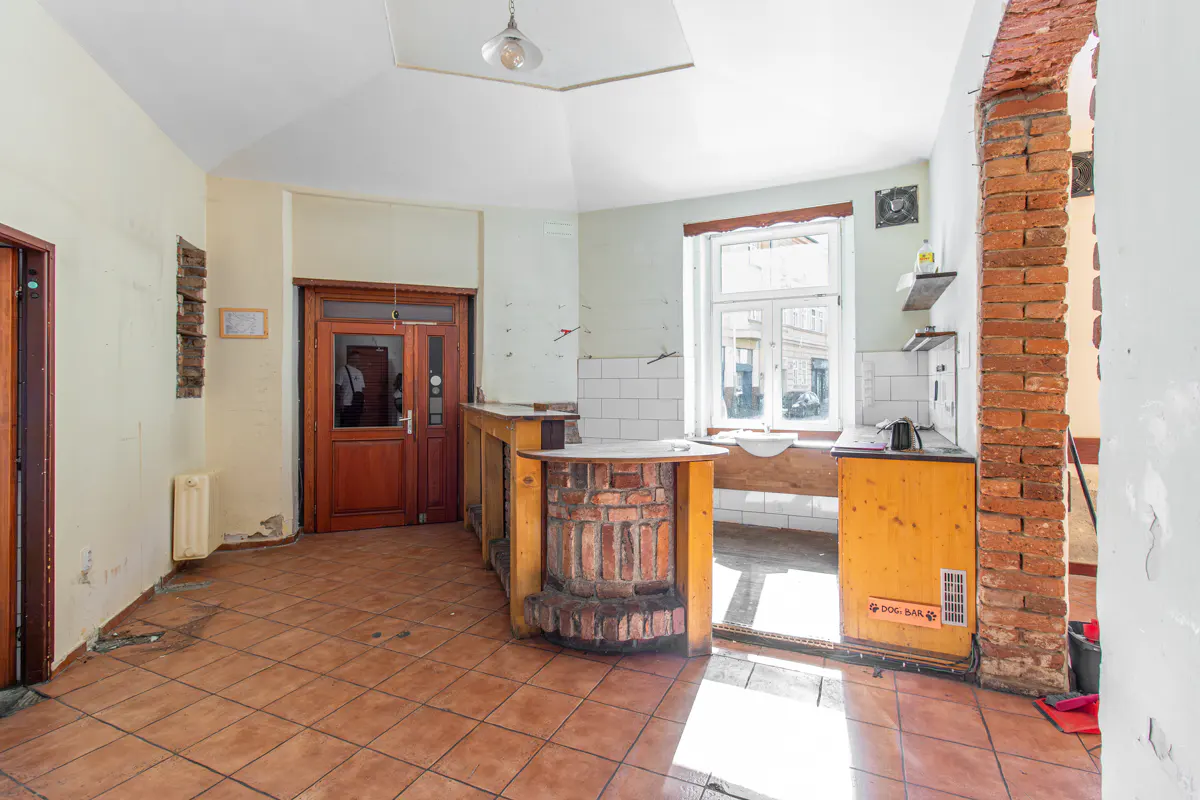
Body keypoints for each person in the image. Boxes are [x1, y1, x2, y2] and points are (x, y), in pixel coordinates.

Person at [337, 350, 366, 427]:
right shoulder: (342, 370)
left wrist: (363, 403)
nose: (357, 360)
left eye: (358, 358)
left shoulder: (359, 372)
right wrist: (340, 403)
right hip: (346, 404)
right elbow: (338, 387)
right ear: (349, 358)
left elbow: (362, 389)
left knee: (356, 426)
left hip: (357, 404)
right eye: (355, 358)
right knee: (346, 427)